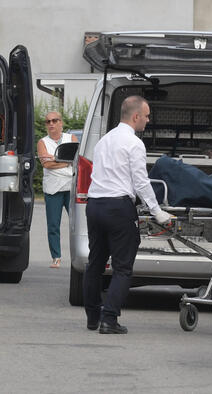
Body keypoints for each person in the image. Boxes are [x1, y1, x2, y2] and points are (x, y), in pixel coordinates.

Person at [84, 96, 170, 334]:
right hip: (118, 208)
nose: (148, 120)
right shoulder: (134, 143)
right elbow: (141, 182)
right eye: (147, 115)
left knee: (95, 263)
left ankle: (93, 317)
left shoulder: (103, 141)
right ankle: (109, 319)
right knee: (122, 268)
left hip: (95, 205)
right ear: (136, 117)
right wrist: (157, 211)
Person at [37, 112, 78, 268]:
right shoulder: (42, 142)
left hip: (70, 186)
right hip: (53, 188)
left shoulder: (71, 139)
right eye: (48, 121)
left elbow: (75, 160)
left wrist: (54, 159)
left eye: (54, 120)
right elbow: (46, 165)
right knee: (53, 225)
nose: (51, 124)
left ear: (61, 122)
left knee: (77, 224)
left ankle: (82, 255)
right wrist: (66, 162)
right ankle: (56, 257)